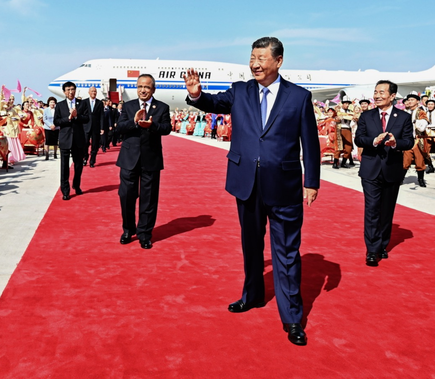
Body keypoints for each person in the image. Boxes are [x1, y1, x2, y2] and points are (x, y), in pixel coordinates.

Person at [184, 37, 320, 346]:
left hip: (284, 187)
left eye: (261, 58)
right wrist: (196, 94)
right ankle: (252, 295)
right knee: (250, 246)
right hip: (246, 184)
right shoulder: (240, 91)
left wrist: (311, 181)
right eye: (252, 57)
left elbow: (310, 143)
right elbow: (212, 103)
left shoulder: (298, 97)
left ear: (278, 61)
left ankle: (293, 317)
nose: (255, 63)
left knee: (286, 253)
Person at [355, 80, 414, 268]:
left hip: (392, 169)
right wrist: (373, 141)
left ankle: (382, 244)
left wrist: (395, 143)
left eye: (382, 92)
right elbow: (359, 139)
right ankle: (371, 250)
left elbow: (409, 142)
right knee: (372, 209)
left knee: (387, 211)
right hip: (370, 170)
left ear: (392, 96)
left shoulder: (403, 117)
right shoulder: (367, 116)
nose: (377, 95)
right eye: (375, 91)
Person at [116, 75, 172, 249]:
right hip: (129, 158)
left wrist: (152, 126)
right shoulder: (129, 106)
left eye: (147, 87)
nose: (143, 90)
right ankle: (128, 229)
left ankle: (145, 234)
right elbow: (120, 127)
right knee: (126, 196)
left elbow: (167, 129)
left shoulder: (162, 107)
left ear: (153, 89)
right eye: (140, 86)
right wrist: (134, 122)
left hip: (151, 159)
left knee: (149, 198)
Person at [54, 81, 90, 200]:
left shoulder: (82, 103)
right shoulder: (60, 105)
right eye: (68, 90)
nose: (71, 92)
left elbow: (86, 118)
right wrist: (68, 118)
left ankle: (77, 185)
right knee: (64, 166)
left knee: (78, 165)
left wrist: (76, 116)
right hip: (65, 138)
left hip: (78, 139)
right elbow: (56, 121)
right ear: (64, 92)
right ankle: (65, 190)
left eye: (72, 89)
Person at [83, 86, 105, 167]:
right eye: (92, 91)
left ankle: (92, 161)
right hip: (86, 126)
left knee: (95, 145)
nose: (93, 93)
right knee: (85, 144)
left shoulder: (99, 103)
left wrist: (102, 128)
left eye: (95, 91)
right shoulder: (84, 102)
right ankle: (85, 158)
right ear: (89, 92)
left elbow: (102, 116)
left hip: (96, 127)